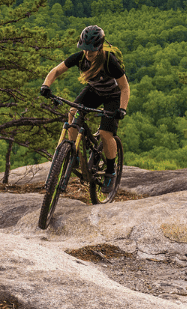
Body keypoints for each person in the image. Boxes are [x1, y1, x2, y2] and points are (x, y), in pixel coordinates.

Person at [39, 24, 129, 187]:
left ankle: (110, 171)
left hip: (113, 96)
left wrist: (122, 109)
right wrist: (46, 85)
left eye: (91, 50)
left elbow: (124, 87)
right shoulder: (80, 57)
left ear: (100, 47)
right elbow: (56, 71)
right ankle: (71, 152)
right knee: (73, 113)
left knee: (105, 133)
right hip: (94, 91)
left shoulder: (109, 61)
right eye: (85, 49)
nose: (88, 53)